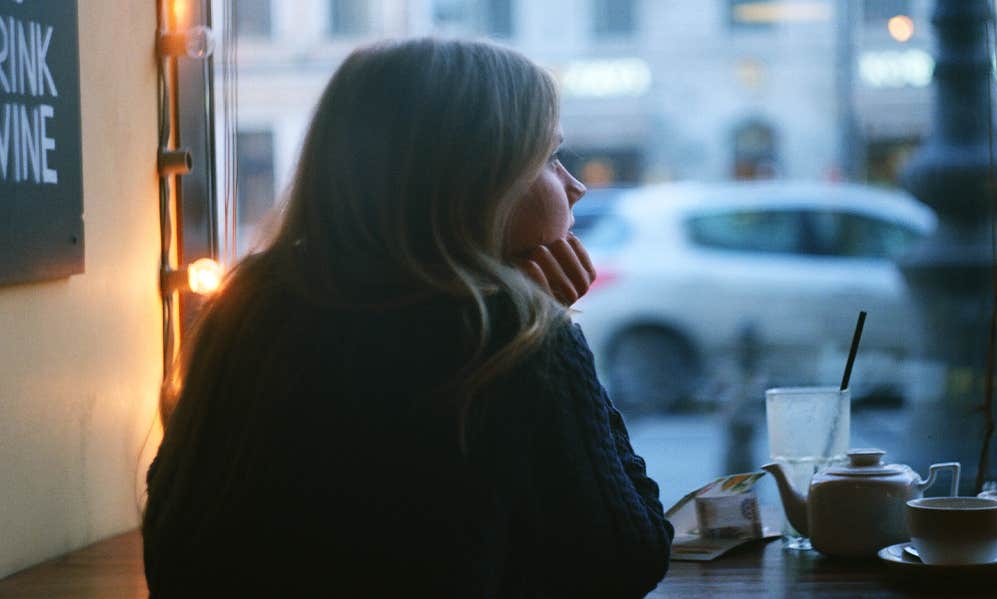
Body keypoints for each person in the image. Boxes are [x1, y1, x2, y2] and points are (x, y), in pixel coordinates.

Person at [142, 38, 673, 597]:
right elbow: (628, 557)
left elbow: (176, 543)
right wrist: (552, 326)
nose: (576, 185)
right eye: (546, 157)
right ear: (473, 181)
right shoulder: (503, 336)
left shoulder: (251, 303)